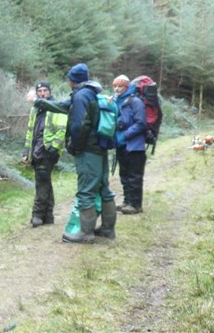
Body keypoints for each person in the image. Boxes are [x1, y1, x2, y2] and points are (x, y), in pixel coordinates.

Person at [34, 63, 117, 243]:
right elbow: (64, 106)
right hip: (99, 149)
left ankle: (85, 233)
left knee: (86, 190)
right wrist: (40, 102)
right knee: (103, 188)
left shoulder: (80, 96)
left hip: (88, 151)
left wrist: (74, 146)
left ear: (72, 80)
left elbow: (80, 125)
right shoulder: (90, 92)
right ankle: (108, 229)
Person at [21, 81, 67, 227]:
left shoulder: (55, 107)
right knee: (44, 181)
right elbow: (30, 132)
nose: (42, 94)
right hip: (35, 151)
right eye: (39, 91)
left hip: (47, 151)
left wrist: (54, 147)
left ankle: (37, 214)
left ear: (50, 91)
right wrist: (26, 152)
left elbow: (62, 129)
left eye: (45, 91)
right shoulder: (35, 109)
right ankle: (48, 216)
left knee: (41, 181)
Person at [112, 74, 147, 215]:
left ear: (126, 87)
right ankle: (127, 201)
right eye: (115, 86)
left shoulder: (135, 101)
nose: (117, 89)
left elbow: (141, 123)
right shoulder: (116, 101)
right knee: (124, 174)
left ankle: (136, 204)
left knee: (134, 176)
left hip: (135, 146)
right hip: (122, 145)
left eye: (120, 86)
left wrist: (124, 135)